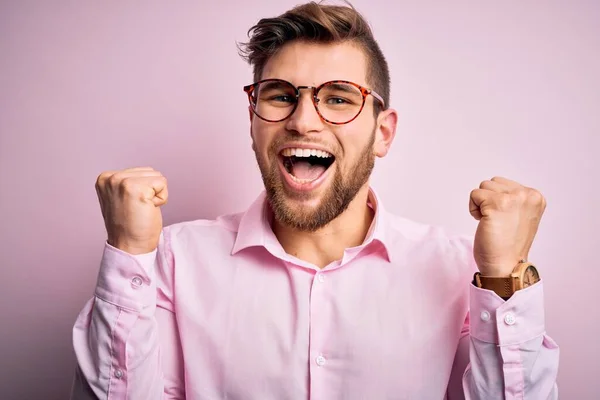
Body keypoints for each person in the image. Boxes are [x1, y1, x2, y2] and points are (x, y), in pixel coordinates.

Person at [70, 2, 560, 399]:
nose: (304, 120)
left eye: (339, 98)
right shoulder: (173, 263)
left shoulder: (457, 271)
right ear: (253, 120)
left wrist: (502, 278)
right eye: (280, 95)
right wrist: (128, 253)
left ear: (382, 133)